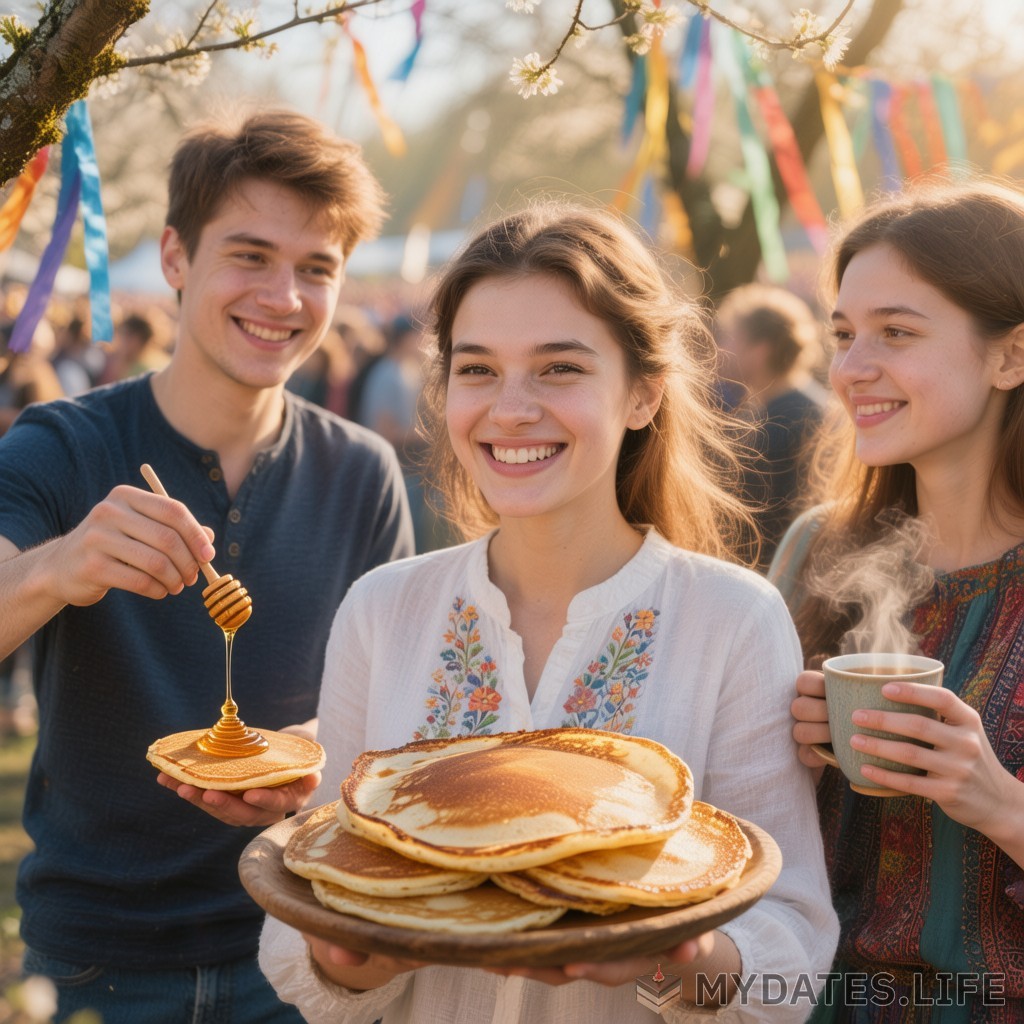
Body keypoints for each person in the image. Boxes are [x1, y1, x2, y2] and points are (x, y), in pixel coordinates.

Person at [259, 202, 838, 1023]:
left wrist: (677, 956)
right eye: (478, 369)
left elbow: (794, 952)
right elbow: (312, 909)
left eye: (559, 368)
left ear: (643, 394)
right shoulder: (382, 610)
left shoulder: (733, 620)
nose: (511, 408)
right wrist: (350, 958)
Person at [0, 107, 415, 1023]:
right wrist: (57, 568)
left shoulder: (362, 471)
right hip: (103, 958)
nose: (285, 297)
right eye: (251, 255)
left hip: (305, 941)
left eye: (317, 269)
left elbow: (392, 705)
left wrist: (301, 755)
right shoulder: (61, 444)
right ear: (177, 259)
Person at [774, 179, 1024, 1021]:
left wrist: (996, 800)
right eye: (843, 334)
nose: (850, 369)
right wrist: (792, 756)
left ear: (1011, 355)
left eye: (897, 333)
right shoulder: (817, 550)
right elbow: (744, 829)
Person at [714, 283, 827, 570]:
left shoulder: (778, 427)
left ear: (761, 350)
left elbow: (758, 535)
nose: (719, 349)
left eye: (729, 338)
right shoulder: (813, 408)